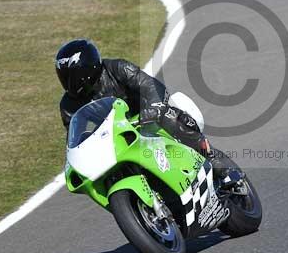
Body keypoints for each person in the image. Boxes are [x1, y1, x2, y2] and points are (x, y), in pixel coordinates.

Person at [55, 38, 219, 163]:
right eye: (64, 76)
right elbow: (74, 138)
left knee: (169, 116)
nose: (69, 82)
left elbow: (149, 85)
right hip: (116, 137)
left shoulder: (118, 68)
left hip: (145, 117)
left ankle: (210, 156)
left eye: (72, 76)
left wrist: (154, 108)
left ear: (86, 69)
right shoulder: (68, 105)